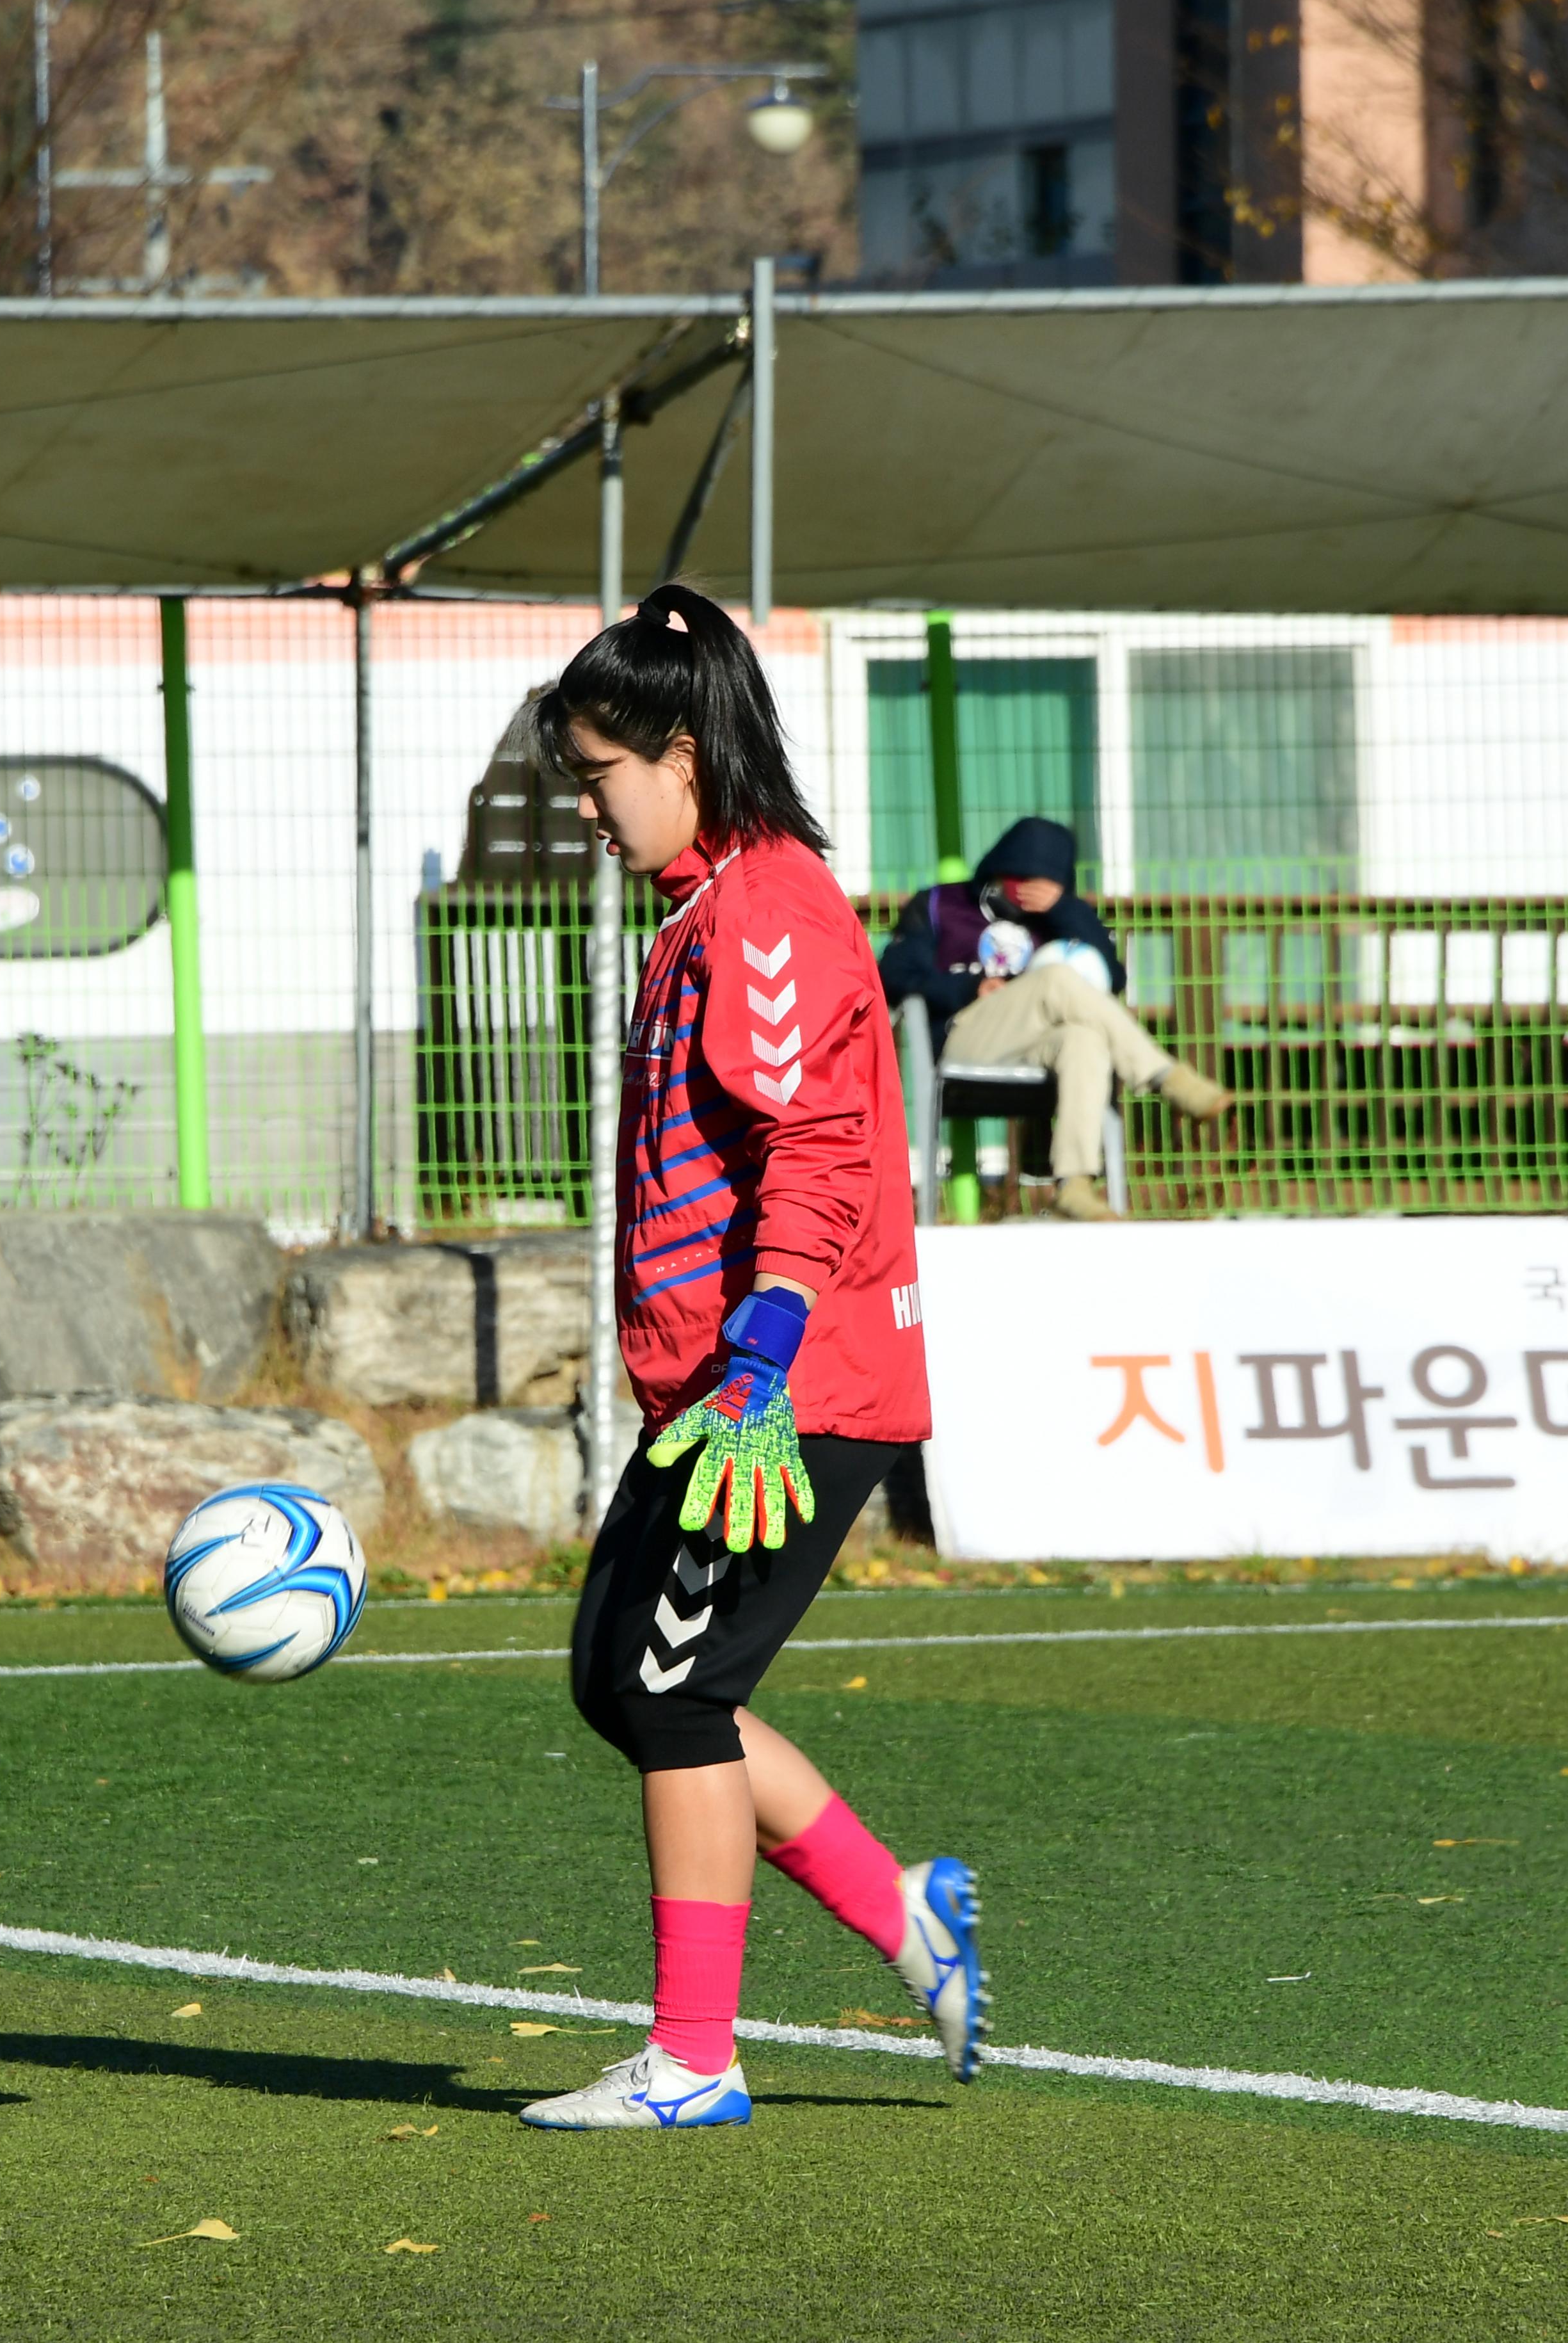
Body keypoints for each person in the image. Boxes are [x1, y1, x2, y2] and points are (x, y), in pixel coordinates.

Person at [516, 583, 983, 2132]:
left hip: (788, 1390)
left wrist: (767, 1344)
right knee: (625, 1679)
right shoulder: (712, 908)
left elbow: (821, 1144)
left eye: (596, 774)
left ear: (680, 751)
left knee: (671, 1692)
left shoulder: (769, 909)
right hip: (730, 1389)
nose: (586, 808)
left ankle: (694, 2057)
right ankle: (896, 1906)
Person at [877, 816, 1228, 1221]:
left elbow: (1110, 979)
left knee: (1084, 1039)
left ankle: (1075, 1185)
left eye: (1044, 884)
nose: (1028, 891)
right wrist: (967, 989)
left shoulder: (1063, 915)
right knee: (1057, 978)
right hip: (964, 1035)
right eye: (1019, 878)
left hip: (1037, 1046)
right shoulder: (941, 905)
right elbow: (893, 975)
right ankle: (1164, 1075)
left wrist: (1063, 909)